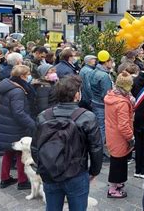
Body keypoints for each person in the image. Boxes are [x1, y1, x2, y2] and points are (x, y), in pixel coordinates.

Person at [32, 75, 103, 211]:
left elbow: (35, 147)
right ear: (77, 95)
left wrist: (44, 166)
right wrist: (94, 171)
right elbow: (96, 148)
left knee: (52, 208)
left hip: (50, 172)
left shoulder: (43, 116)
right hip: (77, 172)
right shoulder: (87, 116)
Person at [0, 65, 36, 190]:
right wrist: (32, 124)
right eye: (27, 74)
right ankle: (23, 181)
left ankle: (5, 178)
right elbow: (19, 112)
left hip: (6, 125)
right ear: (22, 76)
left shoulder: (7, 85)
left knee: (8, 152)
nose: (29, 77)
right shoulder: (17, 91)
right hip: (15, 127)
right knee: (21, 153)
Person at [104, 71, 135, 198]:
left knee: (118, 160)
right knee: (118, 162)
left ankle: (117, 183)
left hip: (112, 133)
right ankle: (113, 189)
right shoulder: (121, 103)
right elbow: (123, 125)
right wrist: (131, 137)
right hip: (120, 137)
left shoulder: (111, 96)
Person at [90, 50, 114, 161]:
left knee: (99, 127)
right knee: (102, 129)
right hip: (101, 104)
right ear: (106, 62)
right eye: (111, 61)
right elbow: (107, 93)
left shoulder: (94, 71)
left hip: (95, 102)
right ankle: (101, 154)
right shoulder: (104, 76)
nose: (112, 63)